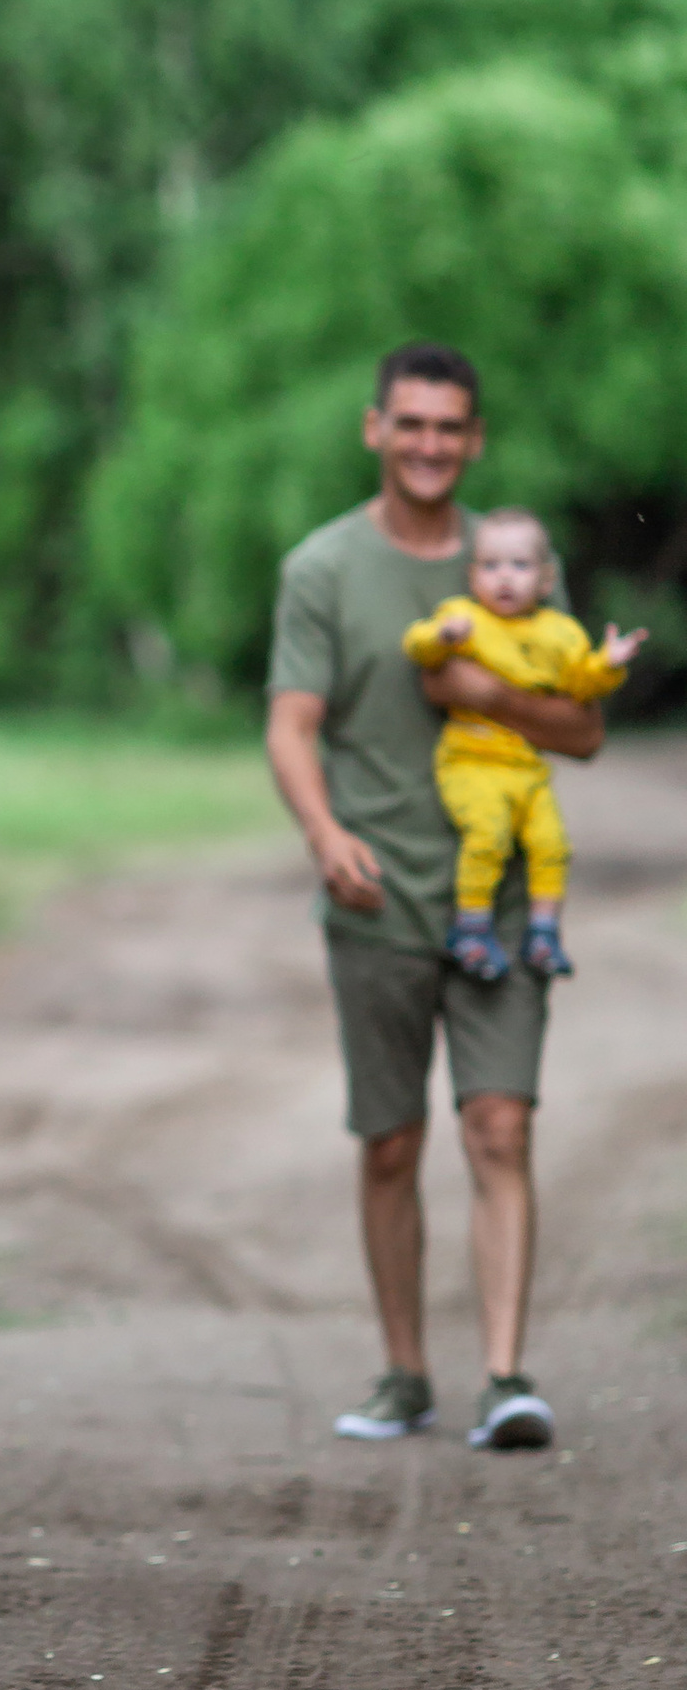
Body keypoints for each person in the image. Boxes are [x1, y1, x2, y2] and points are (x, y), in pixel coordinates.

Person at [264, 344, 606, 1455]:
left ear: (474, 439)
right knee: (391, 1143)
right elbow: (291, 724)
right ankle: (404, 1373)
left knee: (498, 1126)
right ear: (374, 429)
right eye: (408, 424)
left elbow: (583, 730)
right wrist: (324, 835)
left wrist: (483, 691)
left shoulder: (513, 557)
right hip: (376, 897)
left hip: (500, 904)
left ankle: (505, 1377)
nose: (427, 444)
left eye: (448, 427)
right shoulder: (321, 568)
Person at [399, 509, 639, 985]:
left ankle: (544, 931)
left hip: (526, 769)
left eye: (518, 565)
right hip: (472, 758)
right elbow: (418, 645)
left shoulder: (559, 633)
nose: (503, 577)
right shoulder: (464, 617)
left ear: (546, 579)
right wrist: (442, 638)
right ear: (473, 577)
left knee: (553, 844)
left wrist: (609, 665)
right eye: (489, 566)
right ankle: (470, 928)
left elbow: (580, 684)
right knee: (487, 835)